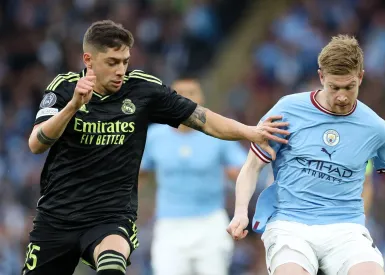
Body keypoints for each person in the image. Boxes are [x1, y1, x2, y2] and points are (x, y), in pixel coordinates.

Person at [22, 20, 289, 275]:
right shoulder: (64, 88)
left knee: (112, 266)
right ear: (88, 60)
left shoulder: (142, 89)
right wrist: (72, 107)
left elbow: (204, 119)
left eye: (125, 62)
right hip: (58, 215)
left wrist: (251, 132)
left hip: (111, 216)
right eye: (112, 63)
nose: (120, 71)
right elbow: (36, 144)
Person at [226, 35, 385, 275]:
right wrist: (240, 213)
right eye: (334, 87)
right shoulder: (287, 110)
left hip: (345, 229)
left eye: (349, 87)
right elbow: (252, 166)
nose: (342, 96)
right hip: (290, 225)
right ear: (321, 77)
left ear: (360, 77)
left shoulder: (375, 128)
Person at [139, 77, 247, 275]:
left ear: (201, 98)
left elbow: (241, 174)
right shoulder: (155, 136)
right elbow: (138, 174)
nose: (185, 98)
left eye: (191, 92)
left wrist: (242, 210)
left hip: (210, 223)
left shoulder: (218, 134)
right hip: (170, 224)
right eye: (179, 93)